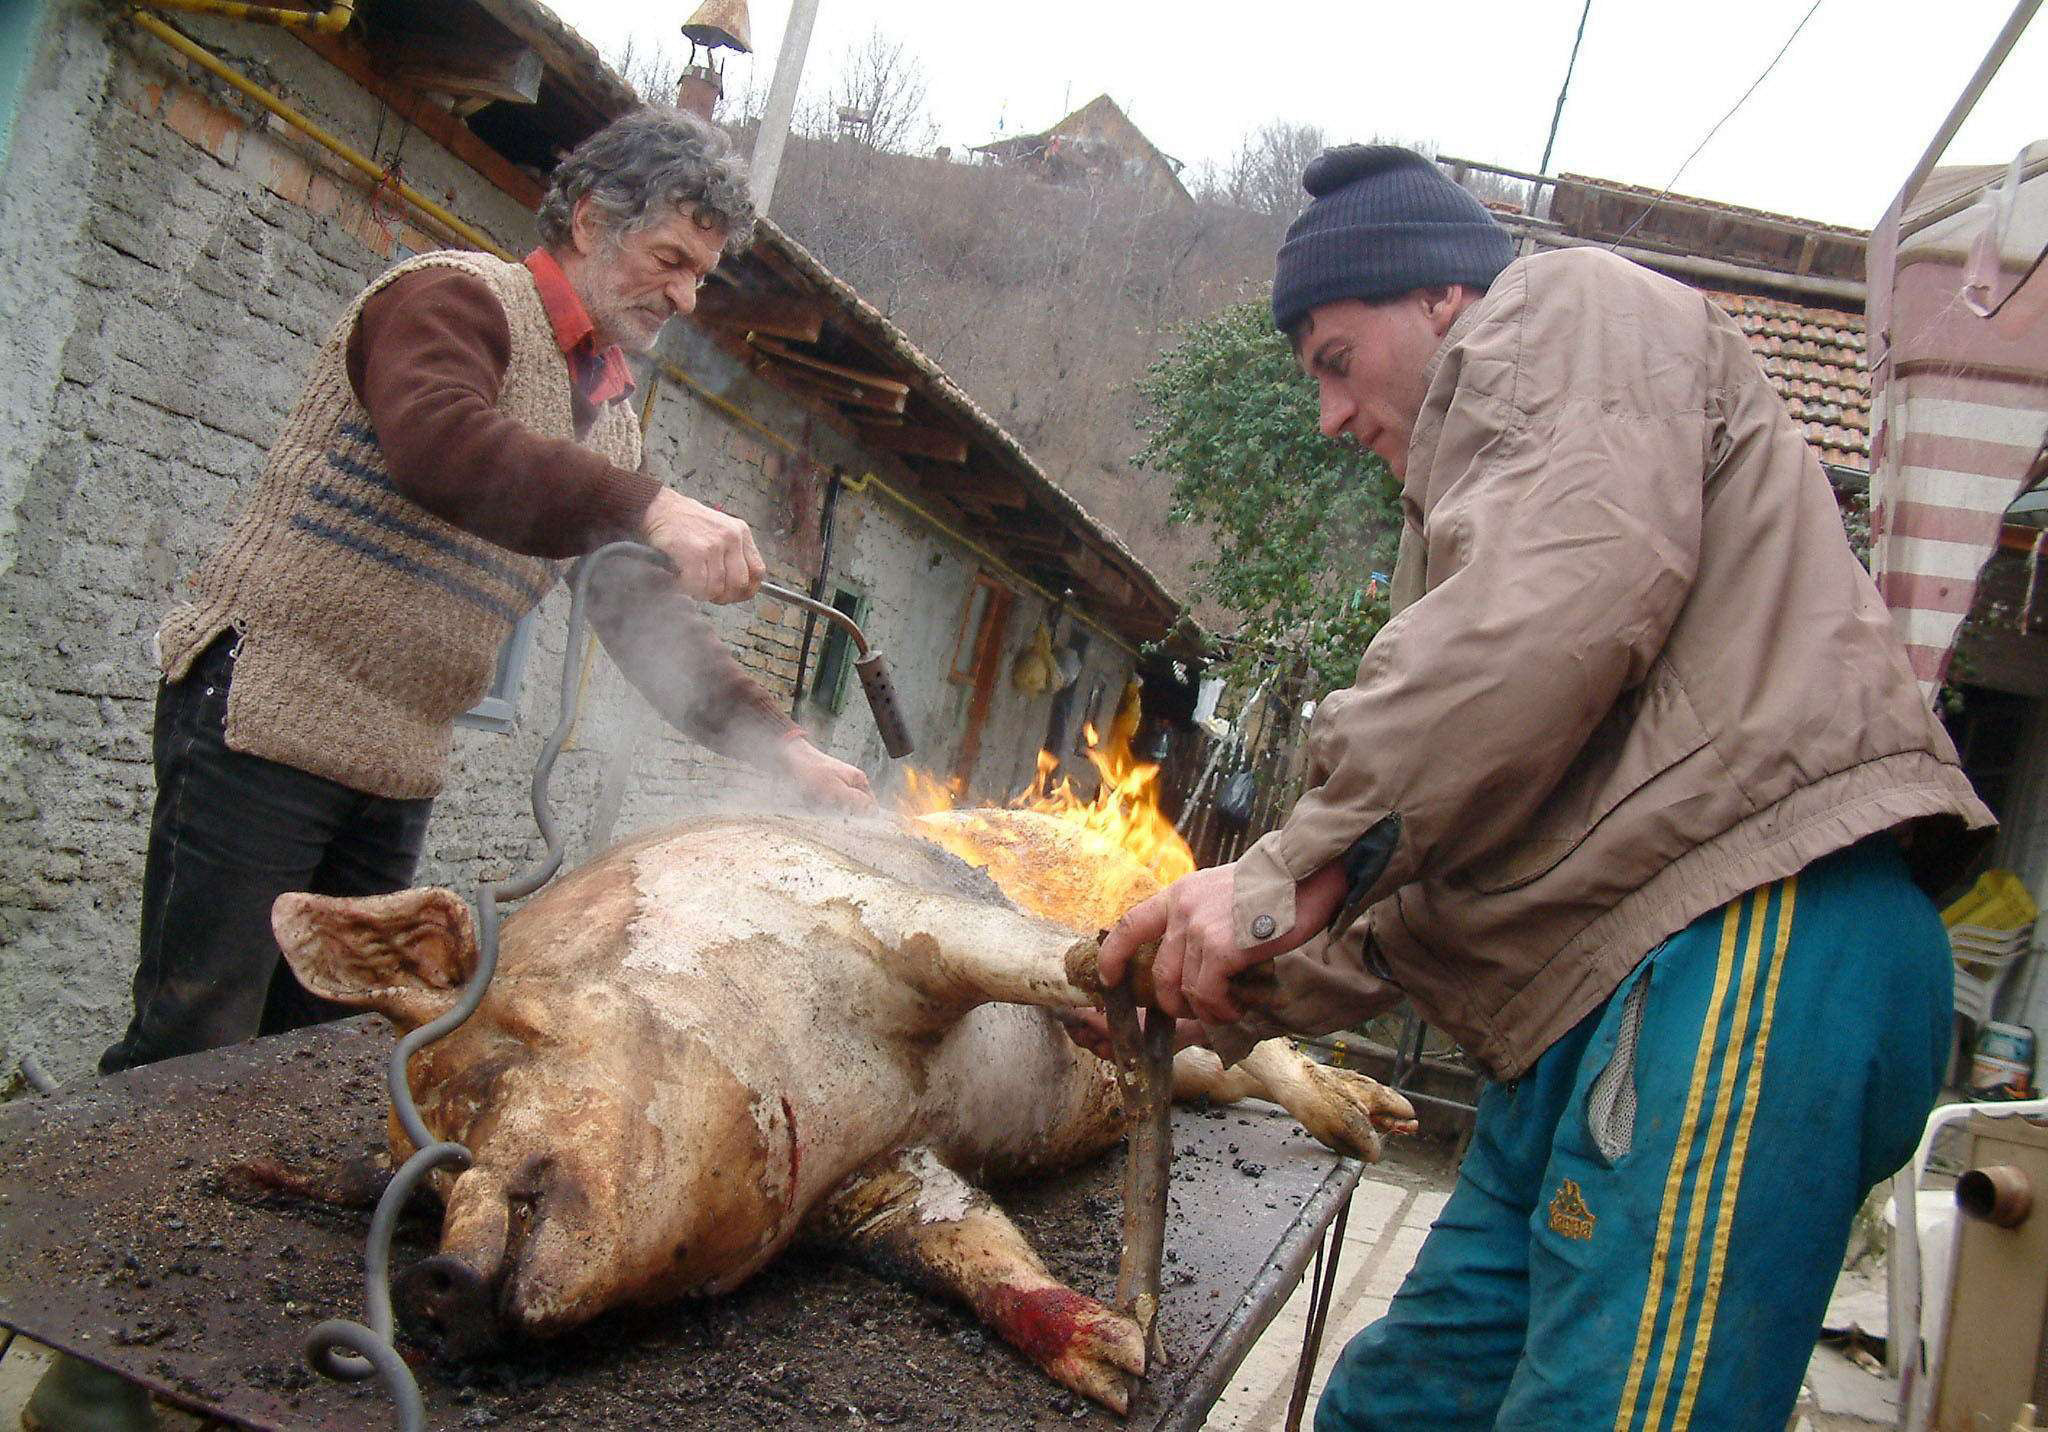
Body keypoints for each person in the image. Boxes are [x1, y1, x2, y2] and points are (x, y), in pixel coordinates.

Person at [1085, 146, 1993, 1431]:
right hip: (1596, 986)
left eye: (1335, 362)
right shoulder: (1483, 518)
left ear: (1441, 300)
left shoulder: (1568, 314)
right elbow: (1457, 844)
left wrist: (1277, 873)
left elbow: (1534, 628)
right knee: (1396, 1404)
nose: (1329, 418)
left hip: (1750, 939)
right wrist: (1236, 978)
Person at [27, 106, 869, 1431]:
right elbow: (442, 446)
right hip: (267, 715)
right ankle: (87, 1391)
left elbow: (641, 618)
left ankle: (197, 1366)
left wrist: (784, 750)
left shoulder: (604, 420)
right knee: (189, 1046)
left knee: (321, 1078)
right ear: (589, 220)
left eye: (703, 276)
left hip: (394, 762)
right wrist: (651, 504)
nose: (682, 293)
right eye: (666, 255)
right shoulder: (449, 302)